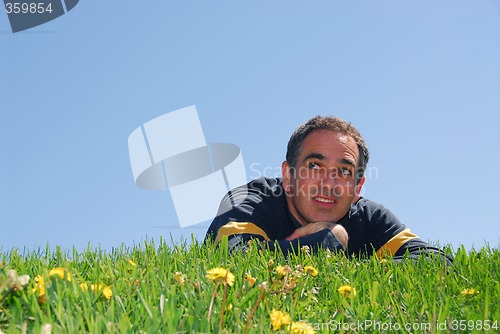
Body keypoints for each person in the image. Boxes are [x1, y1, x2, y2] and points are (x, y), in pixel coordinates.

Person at [205, 116, 452, 265]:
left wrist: (351, 269)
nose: (329, 184)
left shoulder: (369, 216)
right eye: (315, 166)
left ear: (358, 188)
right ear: (288, 175)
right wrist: (331, 240)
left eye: (344, 171)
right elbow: (238, 260)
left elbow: (436, 262)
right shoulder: (250, 199)